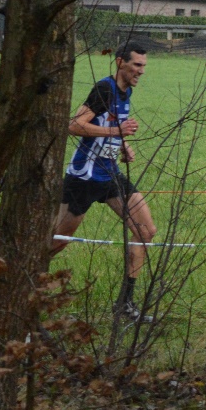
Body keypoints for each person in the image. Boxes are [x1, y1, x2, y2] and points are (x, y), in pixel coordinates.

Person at [48, 41, 157, 323]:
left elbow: (109, 130)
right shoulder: (105, 88)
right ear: (120, 62)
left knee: (145, 230)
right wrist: (115, 130)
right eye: (137, 65)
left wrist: (121, 145)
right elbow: (74, 124)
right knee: (57, 242)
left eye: (144, 66)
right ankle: (17, 285)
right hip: (83, 177)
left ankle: (125, 304)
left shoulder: (126, 91)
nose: (141, 71)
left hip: (109, 176)